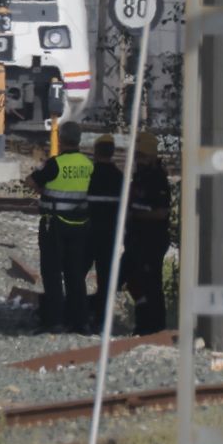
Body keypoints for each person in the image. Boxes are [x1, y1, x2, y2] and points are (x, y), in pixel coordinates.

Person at [28, 121, 93, 334]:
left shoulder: (56, 164)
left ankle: (55, 319)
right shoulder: (88, 164)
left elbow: (31, 181)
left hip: (54, 224)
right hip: (80, 225)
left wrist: (43, 190)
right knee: (75, 274)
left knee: (53, 272)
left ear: (61, 140)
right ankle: (79, 320)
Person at [123, 131, 173, 335]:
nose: (138, 159)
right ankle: (143, 322)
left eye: (142, 155)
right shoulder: (141, 176)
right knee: (134, 280)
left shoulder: (157, 179)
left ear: (151, 155)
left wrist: (135, 215)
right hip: (136, 237)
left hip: (152, 239)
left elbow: (161, 213)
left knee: (151, 283)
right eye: (137, 155)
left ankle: (154, 325)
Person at [86, 134, 123, 327]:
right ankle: (101, 316)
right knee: (105, 275)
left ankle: (77, 312)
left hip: (88, 231)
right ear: (112, 152)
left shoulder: (89, 174)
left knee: (77, 272)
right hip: (109, 234)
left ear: (96, 151)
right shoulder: (119, 176)